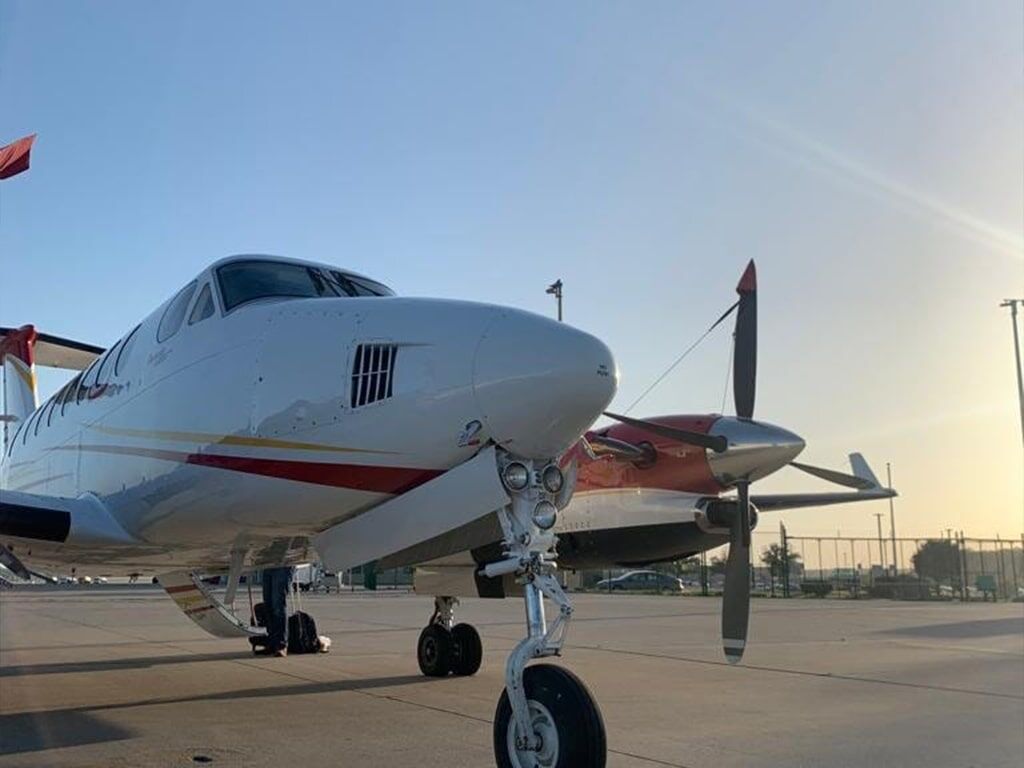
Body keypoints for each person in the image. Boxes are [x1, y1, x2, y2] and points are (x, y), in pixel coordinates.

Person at [260, 565, 294, 656]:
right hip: (269, 564)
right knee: (268, 605)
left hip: (282, 565)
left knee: (278, 605)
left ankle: (281, 645)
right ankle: (272, 642)